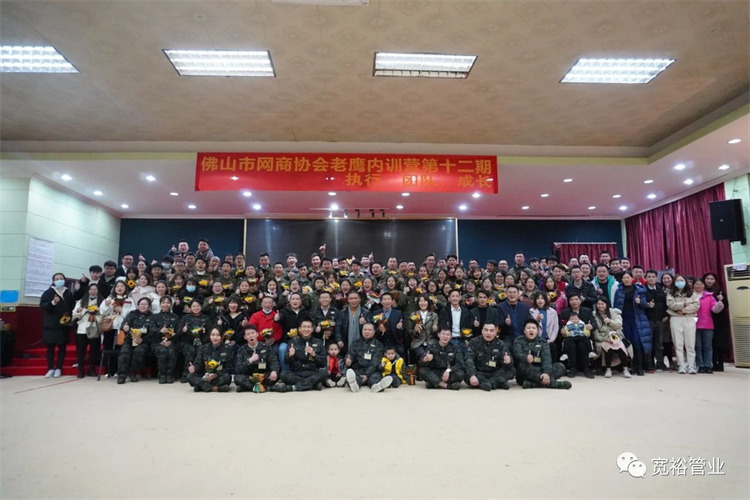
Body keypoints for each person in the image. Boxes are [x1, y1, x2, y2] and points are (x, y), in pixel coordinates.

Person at [612, 271, 652, 376]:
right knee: (627, 343)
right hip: (624, 320)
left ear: (632, 278)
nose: (626, 279)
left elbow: (645, 305)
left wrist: (640, 302)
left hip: (637, 320)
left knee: (637, 343)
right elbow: (615, 306)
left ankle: (639, 367)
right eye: (624, 278)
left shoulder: (639, 290)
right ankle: (630, 367)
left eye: (628, 277)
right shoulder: (619, 291)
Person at [512, 319, 571, 389]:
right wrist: (525, 358)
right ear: (524, 331)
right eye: (528, 328)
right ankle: (552, 383)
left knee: (560, 366)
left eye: (533, 328)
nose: (531, 330)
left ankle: (533, 384)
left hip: (540, 369)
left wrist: (546, 373)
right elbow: (517, 353)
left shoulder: (542, 342)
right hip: (526, 371)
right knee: (522, 366)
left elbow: (547, 359)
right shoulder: (518, 340)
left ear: (537, 331)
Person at [273, 320, 327, 392]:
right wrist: (290, 355)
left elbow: (323, 363)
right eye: (304, 327)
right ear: (300, 329)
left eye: (308, 327)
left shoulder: (318, 342)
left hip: (312, 372)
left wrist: (314, 355)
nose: (306, 329)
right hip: (297, 372)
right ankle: (313, 384)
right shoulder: (293, 342)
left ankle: (293, 387)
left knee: (324, 372)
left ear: (312, 329)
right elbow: (286, 361)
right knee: (283, 375)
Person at [39, 273, 75, 378]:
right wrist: (53, 302)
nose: (59, 280)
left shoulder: (68, 293)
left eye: (61, 278)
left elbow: (72, 306)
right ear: (53, 281)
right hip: (51, 324)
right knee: (50, 348)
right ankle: (50, 368)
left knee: (62, 347)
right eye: (57, 279)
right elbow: (43, 305)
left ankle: (59, 368)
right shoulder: (48, 292)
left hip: (64, 324)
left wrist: (71, 318)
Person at [343, 323, 393, 393]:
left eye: (369, 330)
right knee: (354, 377)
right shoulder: (355, 343)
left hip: (372, 370)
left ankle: (376, 386)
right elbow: (350, 354)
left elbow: (375, 362)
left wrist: (367, 375)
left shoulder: (378, 345)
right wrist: (348, 360)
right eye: (365, 329)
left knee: (375, 378)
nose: (367, 331)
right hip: (358, 369)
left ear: (374, 332)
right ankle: (355, 385)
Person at [464, 323, 514, 391]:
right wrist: (472, 375)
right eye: (486, 330)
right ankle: (499, 383)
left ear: (495, 333)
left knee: (511, 370)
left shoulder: (500, 344)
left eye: (491, 331)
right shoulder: (474, 342)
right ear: (482, 331)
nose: (488, 333)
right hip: (479, 372)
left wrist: (507, 362)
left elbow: (509, 362)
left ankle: (490, 383)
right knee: (467, 375)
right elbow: (469, 359)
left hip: (495, 372)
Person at [666, 275, 700, 374]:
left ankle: (691, 365)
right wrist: (683, 304)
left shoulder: (692, 293)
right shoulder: (671, 294)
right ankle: (681, 365)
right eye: (678, 280)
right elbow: (671, 305)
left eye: (682, 280)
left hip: (689, 318)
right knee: (678, 344)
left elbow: (696, 306)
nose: (680, 282)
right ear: (674, 282)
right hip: (676, 318)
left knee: (690, 344)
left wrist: (684, 310)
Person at [117, 297, 154, 384]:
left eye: (145, 304)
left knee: (139, 352)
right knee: (124, 352)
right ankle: (122, 375)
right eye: (141, 304)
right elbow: (123, 324)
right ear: (138, 305)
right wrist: (125, 327)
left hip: (143, 341)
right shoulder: (132, 314)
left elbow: (152, 332)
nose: (143, 306)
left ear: (149, 306)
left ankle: (133, 373)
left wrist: (142, 340)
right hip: (129, 339)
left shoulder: (152, 317)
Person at [591, 298, 631, 378]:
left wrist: (610, 322)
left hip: (615, 336)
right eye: (598, 304)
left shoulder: (614, 312)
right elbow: (595, 332)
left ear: (607, 304)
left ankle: (625, 369)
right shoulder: (593, 314)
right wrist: (605, 339)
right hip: (603, 338)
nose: (600, 306)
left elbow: (618, 325)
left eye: (602, 304)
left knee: (621, 348)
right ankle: (608, 369)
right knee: (608, 349)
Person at [234, 325, 280, 392]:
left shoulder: (266, 347)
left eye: (252, 333)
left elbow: (274, 361)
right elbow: (238, 369)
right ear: (245, 337)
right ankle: (266, 388)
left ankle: (247, 387)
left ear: (257, 334)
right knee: (237, 378)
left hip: (264, 375)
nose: (251, 335)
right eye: (248, 334)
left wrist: (274, 371)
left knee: (277, 375)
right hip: (250, 376)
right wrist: (250, 360)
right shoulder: (241, 350)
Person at [693, 279, 724, 374]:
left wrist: (719, 304)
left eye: (701, 284)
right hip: (694, 325)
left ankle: (707, 365)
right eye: (697, 284)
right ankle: (700, 365)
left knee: (707, 346)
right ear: (693, 286)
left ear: (704, 286)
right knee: (697, 346)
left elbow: (714, 309)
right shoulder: (690, 296)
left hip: (707, 325)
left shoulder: (709, 296)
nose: (699, 286)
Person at [188, 326, 233, 392]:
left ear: (222, 336)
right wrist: (194, 368)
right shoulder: (203, 348)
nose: (215, 337)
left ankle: (201, 386)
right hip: (205, 376)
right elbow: (199, 364)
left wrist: (216, 374)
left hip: (218, 376)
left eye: (218, 335)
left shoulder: (227, 349)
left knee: (227, 377)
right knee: (190, 376)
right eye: (213, 335)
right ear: (209, 336)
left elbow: (229, 368)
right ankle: (215, 388)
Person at [71, 283, 102, 378]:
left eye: (95, 290)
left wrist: (96, 318)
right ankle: (80, 370)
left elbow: (105, 314)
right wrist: (78, 311)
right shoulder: (82, 301)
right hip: (82, 329)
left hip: (95, 328)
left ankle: (91, 369)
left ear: (98, 291)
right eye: (91, 290)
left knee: (94, 350)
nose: (93, 291)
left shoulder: (102, 301)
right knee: (81, 350)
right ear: (88, 291)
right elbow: (74, 314)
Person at [177, 299, 212, 383]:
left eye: (198, 306)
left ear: (201, 307)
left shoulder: (206, 318)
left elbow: (209, 333)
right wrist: (183, 330)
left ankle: (199, 373)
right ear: (190, 308)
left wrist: (202, 341)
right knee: (191, 350)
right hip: (187, 342)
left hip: (202, 342)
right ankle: (186, 374)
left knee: (201, 350)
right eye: (193, 306)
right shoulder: (185, 318)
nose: (196, 308)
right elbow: (178, 332)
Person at [702, 272, 729, 372]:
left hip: (720, 321)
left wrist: (721, 300)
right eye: (707, 278)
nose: (709, 281)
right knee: (710, 343)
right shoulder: (701, 291)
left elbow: (726, 305)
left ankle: (720, 364)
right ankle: (712, 363)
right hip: (707, 320)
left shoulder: (720, 291)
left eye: (712, 279)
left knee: (720, 343)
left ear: (715, 280)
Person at [643, 269, 669, 371]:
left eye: (653, 277)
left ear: (656, 278)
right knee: (648, 342)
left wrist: (666, 315)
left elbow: (665, 304)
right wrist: (647, 305)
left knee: (659, 343)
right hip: (648, 320)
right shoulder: (643, 290)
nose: (651, 279)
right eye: (649, 277)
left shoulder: (660, 289)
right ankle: (649, 363)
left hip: (660, 320)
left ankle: (660, 362)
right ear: (645, 278)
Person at [334, 290, 373, 355]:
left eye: (355, 298)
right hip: (345, 342)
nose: (353, 300)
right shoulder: (342, 313)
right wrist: (339, 340)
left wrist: (365, 322)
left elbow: (371, 328)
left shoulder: (366, 313)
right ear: (348, 300)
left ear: (359, 300)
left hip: (363, 343)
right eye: (351, 299)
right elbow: (338, 328)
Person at [151, 295, 180, 384]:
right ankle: (162, 375)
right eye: (163, 303)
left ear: (171, 304)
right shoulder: (154, 317)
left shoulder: (175, 317)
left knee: (171, 351)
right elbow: (151, 330)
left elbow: (178, 332)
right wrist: (160, 331)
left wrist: (171, 341)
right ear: (160, 304)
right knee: (163, 351)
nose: (165, 305)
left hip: (172, 342)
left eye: (168, 303)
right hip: (157, 342)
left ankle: (170, 374)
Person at [559, 311, 594, 378]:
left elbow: (587, 333)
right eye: (572, 319)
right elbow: (565, 334)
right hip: (571, 338)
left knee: (584, 342)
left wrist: (586, 332)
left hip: (581, 337)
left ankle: (587, 368)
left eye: (575, 319)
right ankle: (572, 367)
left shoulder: (582, 324)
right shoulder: (568, 325)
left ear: (579, 319)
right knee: (569, 343)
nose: (574, 320)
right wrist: (564, 333)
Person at [528, 291, 559, 362]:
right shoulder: (531, 311)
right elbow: (529, 326)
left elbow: (555, 327)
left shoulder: (553, 312)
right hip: (536, 339)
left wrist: (551, 339)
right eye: (538, 298)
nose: (540, 300)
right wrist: (536, 320)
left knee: (552, 347)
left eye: (542, 298)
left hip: (548, 339)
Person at [373, 292, 405, 358]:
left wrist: (399, 327)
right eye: (384, 299)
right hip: (381, 341)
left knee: (401, 351)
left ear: (392, 301)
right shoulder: (376, 313)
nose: (386, 301)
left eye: (388, 299)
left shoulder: (398, 313)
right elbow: (373, 329)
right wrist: (379, 329)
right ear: (381, 302)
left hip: (394, 342)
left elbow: (403, 330)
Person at [407, 294, 438, 361]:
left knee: (432, 353)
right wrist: (415, 330)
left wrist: (435, 329)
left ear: (428, 302)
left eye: (425, 301)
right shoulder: (413, 314)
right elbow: (409, 331)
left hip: (431, 342)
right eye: (420, 301)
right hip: (418, 343)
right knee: (421, 354)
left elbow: (436, 332)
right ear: (418, 303)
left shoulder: (434, 315)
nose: (423, 303)